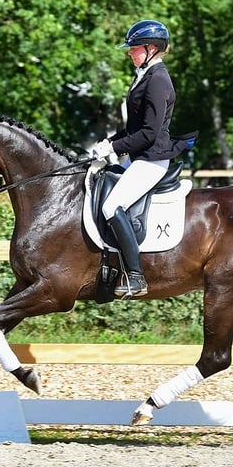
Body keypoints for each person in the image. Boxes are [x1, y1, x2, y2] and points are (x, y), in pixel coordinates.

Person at [91, 19, 192, 298]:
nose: (129, 52)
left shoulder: (158, 80)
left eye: (133, 48)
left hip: (152, 159)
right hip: (138, 156)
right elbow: (135, 126)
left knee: (112, 207)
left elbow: (149, 133)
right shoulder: (145, 75)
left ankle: (135, 277)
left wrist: (116, 148)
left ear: (150, 48)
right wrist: (110, 142)